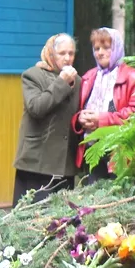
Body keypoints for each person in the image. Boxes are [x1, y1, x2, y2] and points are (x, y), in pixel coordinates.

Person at [13, 34, 81, 206]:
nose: (67, 58)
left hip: (65, 162)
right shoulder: (32, 75)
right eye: (62, 53)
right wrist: (62, 82)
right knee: (31, 218)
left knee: (60, 221)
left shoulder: (78, 81)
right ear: (51, 53)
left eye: (71, 53)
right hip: (37, 161)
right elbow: (36, 108)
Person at [72, 27, 135, 183]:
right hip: (93, 150)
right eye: (96, 48)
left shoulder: (134, 77)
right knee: (93, 201)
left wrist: (101, 120)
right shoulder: (89, 77)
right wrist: (81, 119)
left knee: (118, 201)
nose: (100, 53)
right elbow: (78, 108)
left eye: (106, 48)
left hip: (121, 152)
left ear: (117, 48)